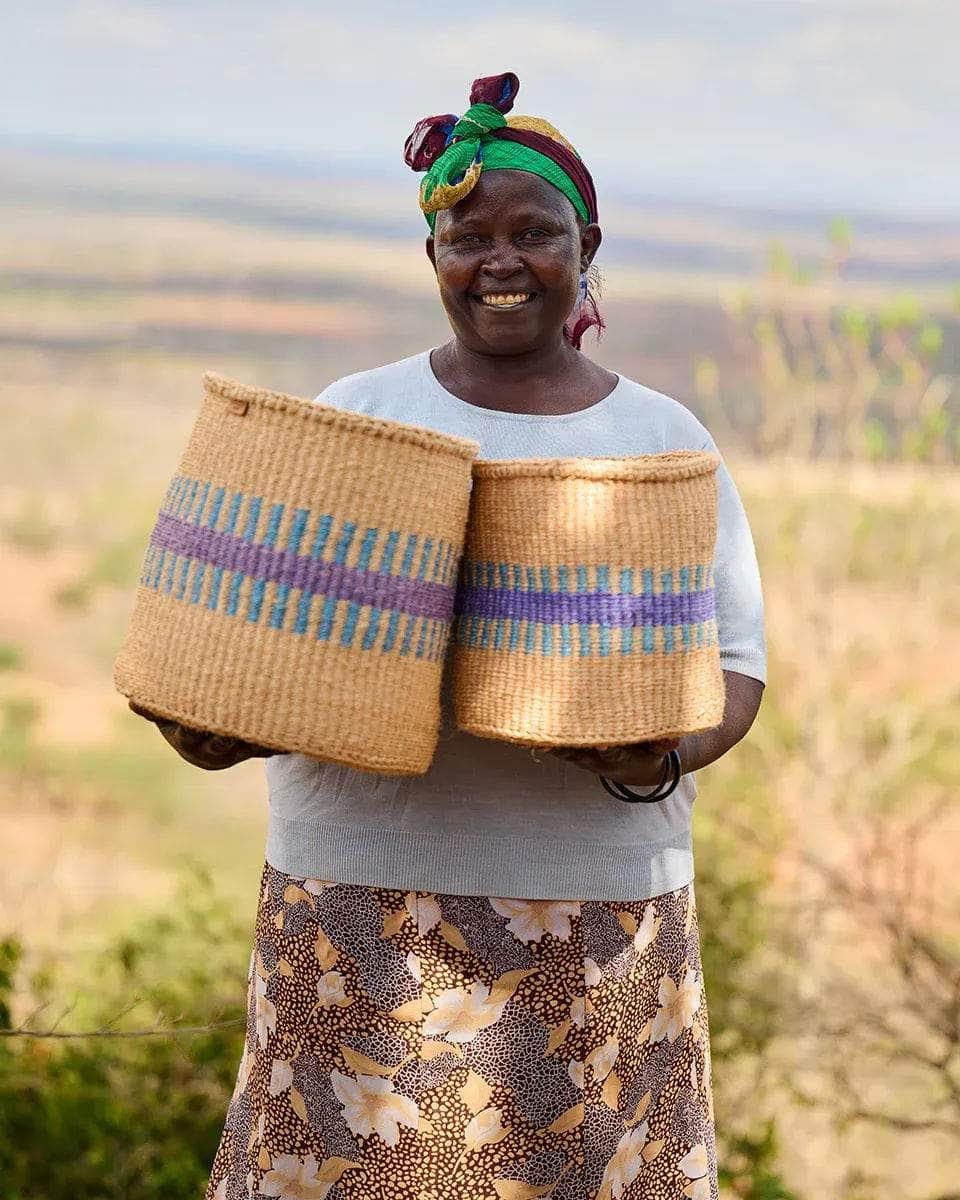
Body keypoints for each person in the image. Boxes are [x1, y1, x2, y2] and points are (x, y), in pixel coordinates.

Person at [136, 72, 766, 1200]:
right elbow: (284, 639)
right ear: (432, 256)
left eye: (535, 231)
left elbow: (736, 666)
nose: (502, 261)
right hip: (359, 898)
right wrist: (216, 731)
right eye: (466, 236)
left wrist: (660, 755)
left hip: (599, 901)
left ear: (590, 244)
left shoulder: (661, 437)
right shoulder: (362, 413)